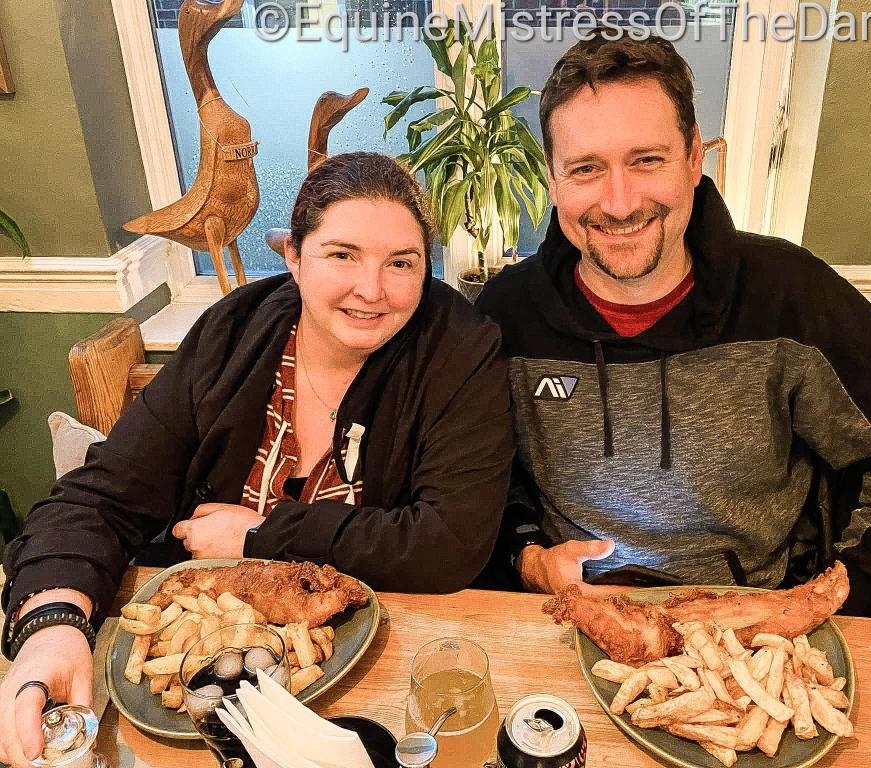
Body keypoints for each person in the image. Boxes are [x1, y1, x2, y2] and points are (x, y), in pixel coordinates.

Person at [477, 32, 871, 623]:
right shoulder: (506, 313)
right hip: (574, 616)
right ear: (552, 178)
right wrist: (529, 561)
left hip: (760, 626)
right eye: (586, 168)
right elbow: (475, 478)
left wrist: (830, 595)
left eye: (647, 160)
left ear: (695, 158)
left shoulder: (791, 295)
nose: (619, 202)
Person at [0, 152, 514, 767]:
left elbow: (451, 541)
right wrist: (52, 629)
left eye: (401, 262)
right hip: (195, 702)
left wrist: (261, 536)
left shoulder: (460, 348)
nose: (372, 290)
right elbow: (102, 495)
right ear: (293, 256)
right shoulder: (233, 333)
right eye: (342, 254)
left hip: (378, 686)